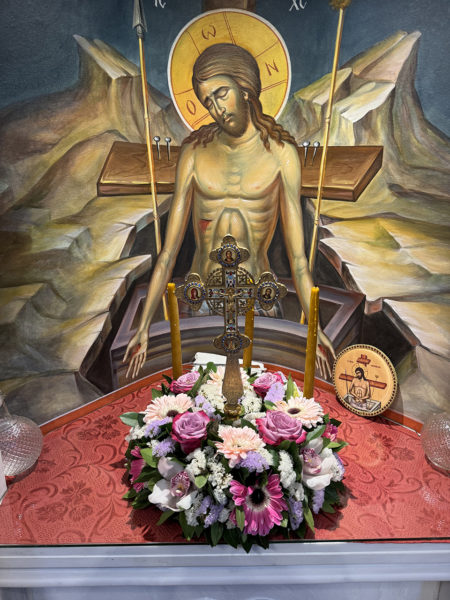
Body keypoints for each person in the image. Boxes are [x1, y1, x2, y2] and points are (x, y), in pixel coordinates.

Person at [124, 43, 335, 379]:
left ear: (245, 88)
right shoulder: (194, 152)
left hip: (258, 301)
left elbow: (298, 258)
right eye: (208, 101)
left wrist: (315, 326)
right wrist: (144, 326)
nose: (217, 108)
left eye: (221, 93)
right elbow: (168, 254)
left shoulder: (282, 154)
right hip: (203, 301)